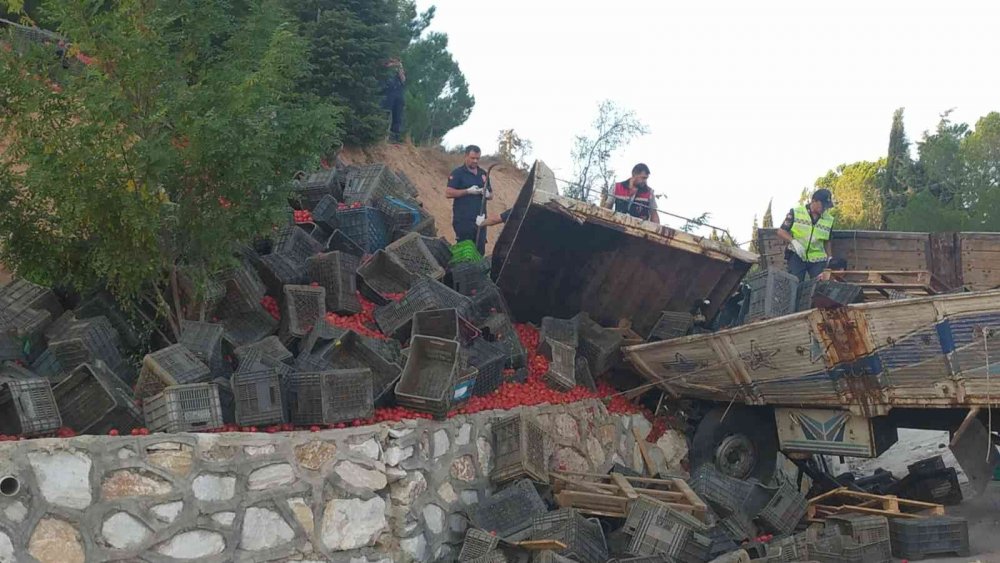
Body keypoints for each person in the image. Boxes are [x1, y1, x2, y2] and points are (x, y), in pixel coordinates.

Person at [776, 188, 836, 281]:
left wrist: (829, 257)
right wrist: (794, 242)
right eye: (822, 204)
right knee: (795, 283)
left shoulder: (829, 220)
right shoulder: (796, 212)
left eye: (826, 206)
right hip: (797, 255)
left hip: (818, 258)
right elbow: (781, 231)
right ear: (813, 201)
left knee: (819, 286)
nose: (824, 208)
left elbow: (827, 240)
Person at [446, 145, 493, 254]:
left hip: (480, 219)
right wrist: (467, 191)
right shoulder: (458, 173)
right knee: (465, 250)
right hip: (463, 220)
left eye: (478, 158)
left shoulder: (483, 174)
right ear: (466, 156)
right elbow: (448, 193)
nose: (475, 161)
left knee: (479, 250)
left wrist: (487, 194)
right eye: (472, 158)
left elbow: (491, 195)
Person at [381, 58, 406, 143]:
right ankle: (381, 135)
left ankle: (395, 137)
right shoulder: (386, 68)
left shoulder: (398, 70)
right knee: (385, 114)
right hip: (388, 95)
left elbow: (403, 79)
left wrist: (400, 67)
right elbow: (384, 67)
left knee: (397, 117)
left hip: (398, 96)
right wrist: (392, 64)